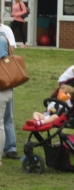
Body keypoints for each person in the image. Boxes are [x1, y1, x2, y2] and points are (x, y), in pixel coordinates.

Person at [0, 17, 19, 160]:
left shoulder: (4, 34)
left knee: (5, 118)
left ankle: (10, 147)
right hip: (6, 84)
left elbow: (6, 60)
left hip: (4, 83)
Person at [0, 35, 14, 165]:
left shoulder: (0, 40)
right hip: (5, 88)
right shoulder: (2, 39)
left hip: (2, 87)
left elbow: (3, 63)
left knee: (1, 123)